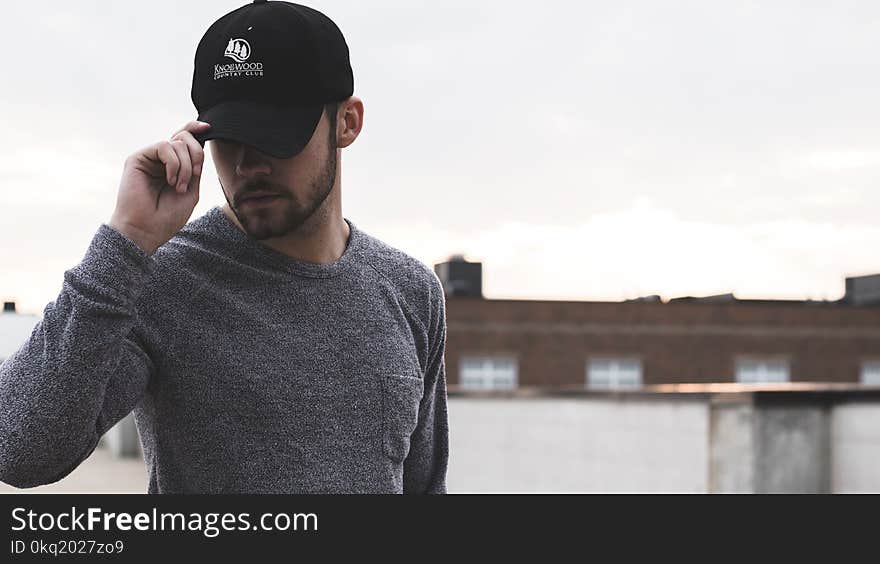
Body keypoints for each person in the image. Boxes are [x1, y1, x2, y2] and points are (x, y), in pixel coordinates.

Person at [0, 0, 449, 494]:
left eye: (276, 137)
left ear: (347, 123)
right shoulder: (159, 280)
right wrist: (125, 240)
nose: (248, 165)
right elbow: (19, 450)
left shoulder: (411, 291)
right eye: (230, 138)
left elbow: (424, 488)